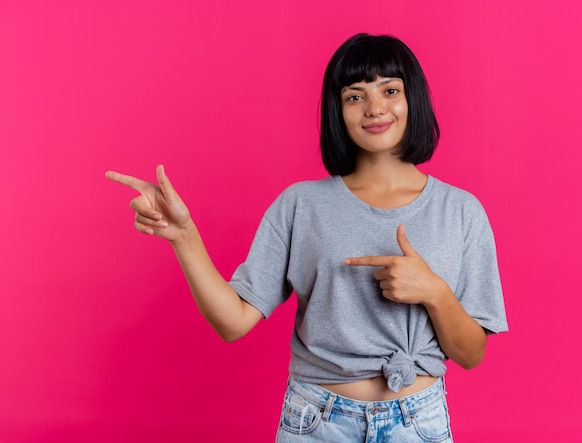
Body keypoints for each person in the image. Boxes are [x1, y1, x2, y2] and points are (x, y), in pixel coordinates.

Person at [106, 33, 508, 442]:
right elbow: (233, 322)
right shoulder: (301, 205)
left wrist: (434, 292)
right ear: (338, 110)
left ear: (413, 99)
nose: (375, 108)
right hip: (317, 422)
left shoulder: (461, 211)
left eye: (390, 90)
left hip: (419, 422)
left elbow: (471, 354)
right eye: (355, 96)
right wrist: (183, 235)